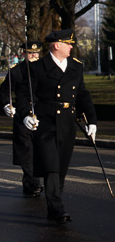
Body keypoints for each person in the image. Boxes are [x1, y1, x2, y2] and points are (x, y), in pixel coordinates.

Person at [17, 29, 97, 224]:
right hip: (46, 122)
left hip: (67, 123)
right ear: (56, 45)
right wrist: (26, 115)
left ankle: (54, 206)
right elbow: (24, 95)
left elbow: (83, 95)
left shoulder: (76, 67)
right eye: (68, 43)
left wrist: (92, 121)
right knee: (51, 166)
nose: (71, 47)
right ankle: (57, 207)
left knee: (61, 166)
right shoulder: (38, 68)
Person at [0, 41, 44, 197]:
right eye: (30, 53)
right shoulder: (16, 71)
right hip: (23, 113)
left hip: (42, 113)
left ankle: (29, 183)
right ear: (24, 54)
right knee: (26, 151)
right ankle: (34, 183)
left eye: (36, 53)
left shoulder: (46, 70)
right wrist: (6, 105)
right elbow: (4, 91)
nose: (33, 56)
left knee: (40, 150)